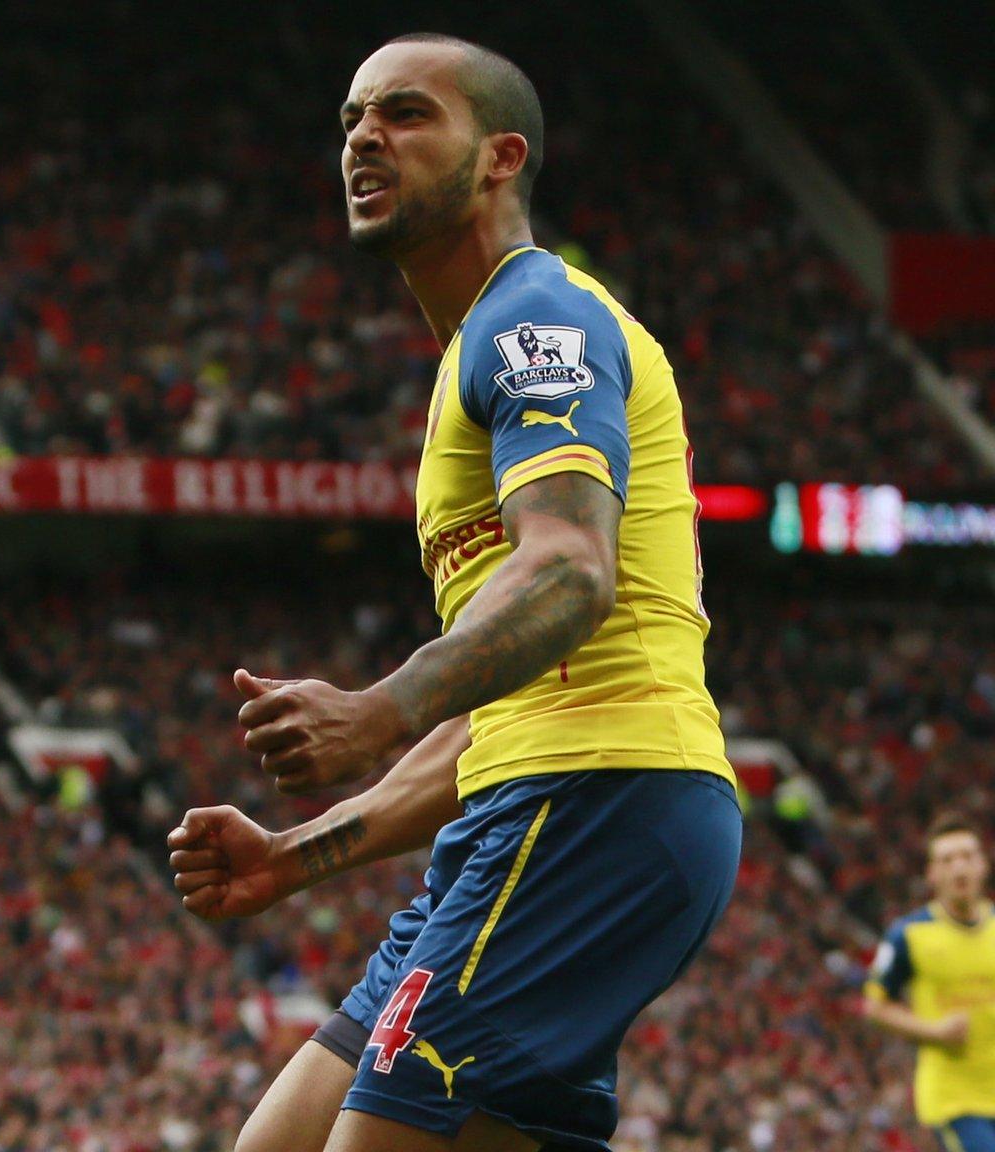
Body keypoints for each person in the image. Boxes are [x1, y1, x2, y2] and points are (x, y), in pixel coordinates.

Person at [166, 32, 741, 1152]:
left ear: (497, 157)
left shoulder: (537, 324)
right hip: (526, 804)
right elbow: (495, 715)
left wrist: (376, 707)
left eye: (404, 112)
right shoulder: (469, 356)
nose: (363, 136)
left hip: (599, 799)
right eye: (349, 119)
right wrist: (297, 853)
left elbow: (570, 571)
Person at [865, 813, 995, 1152]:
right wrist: (933, 1031)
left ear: (983, 864)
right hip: (957, 1101)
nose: (959, 868)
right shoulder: (908, 935)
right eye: (947, 860)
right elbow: (875, 1006)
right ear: (932, 873)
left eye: (967, 857)